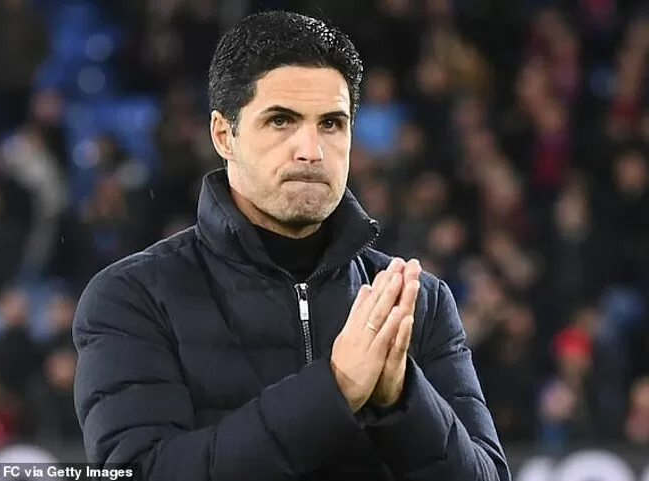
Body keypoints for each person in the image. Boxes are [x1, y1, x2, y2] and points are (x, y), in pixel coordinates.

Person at [72, 10, 512, 481]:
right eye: (281, 120)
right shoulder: (133, 298)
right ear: (223, 135)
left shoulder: (417, 302)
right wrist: (334, 389)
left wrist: (403, 401)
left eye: (331, 124)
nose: (311, 151)